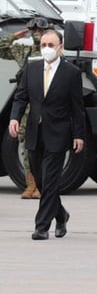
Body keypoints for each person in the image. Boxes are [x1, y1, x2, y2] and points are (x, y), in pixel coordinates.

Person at [8, 30, 85, 240]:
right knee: (40, 181)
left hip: (58, 133)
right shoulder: (31, 69)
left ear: (60, 47)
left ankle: (41, 226)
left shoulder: (71, 73)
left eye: (51, 45)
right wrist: (14, 118)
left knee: (50, 180)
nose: (47, 49)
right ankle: (61, 215)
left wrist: (79, 135)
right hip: (34, 131)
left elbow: (77, 108)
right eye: (43, 45)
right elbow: (20, 97)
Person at [0, 17, 52, 198]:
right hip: (28, 106)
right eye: (34, 30)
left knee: (48, 145)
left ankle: (44, 183)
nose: (37, 33)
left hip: (48, 106)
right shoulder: (24, 51)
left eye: (41, 30)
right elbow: (1, 48)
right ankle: (31, 185)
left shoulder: (55, 51)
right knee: (25, 144)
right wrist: (14, 36)